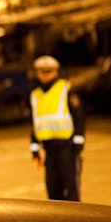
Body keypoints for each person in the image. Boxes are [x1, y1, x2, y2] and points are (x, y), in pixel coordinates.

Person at [28, 55, 86, 201]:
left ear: (56, 72)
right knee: (53, 192)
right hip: (49, 150)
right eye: (42, 71)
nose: (46, 75)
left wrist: (78, 141)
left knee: (72, 191)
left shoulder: (66, 89)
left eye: (49, 71)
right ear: (37, 73)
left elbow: (79, 116)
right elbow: (36, 122)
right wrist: (34, 148)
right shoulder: (35, 95)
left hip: (67, 149)